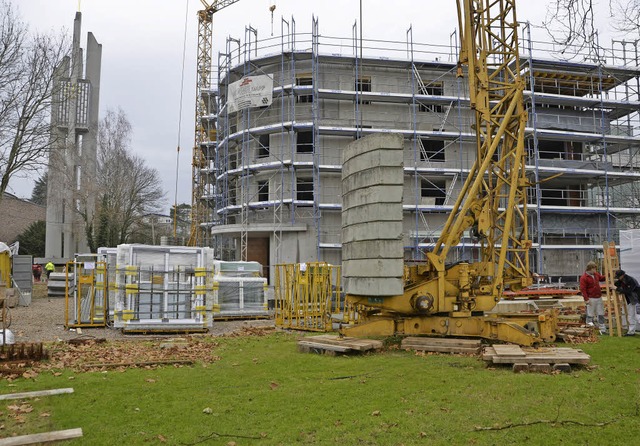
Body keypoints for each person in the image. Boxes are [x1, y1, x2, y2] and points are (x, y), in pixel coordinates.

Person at [579, 261, 607, 333]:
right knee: (590, 314)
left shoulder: (596, 274)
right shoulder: (584, 277)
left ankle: (602, 329)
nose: (595, 270)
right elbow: (583, 289)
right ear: (590, 268)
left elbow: (601, 278)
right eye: (594, 269)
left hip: (598, 297)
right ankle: (589, 329)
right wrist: (586, 299)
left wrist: (608, 275)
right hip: (591, 298)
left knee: (601, 313)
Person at [614, 270, 640, 336]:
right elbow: (617, 284)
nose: (618, 278)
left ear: (622, 275)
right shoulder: (622, 280)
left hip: (637, 300)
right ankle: (631, 332)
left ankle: (632, 331)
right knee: (630, 316)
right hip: (630, 300)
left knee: (638, 316)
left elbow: (628, 291)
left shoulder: (631, 280)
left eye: (618, 276)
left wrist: (617, 289)